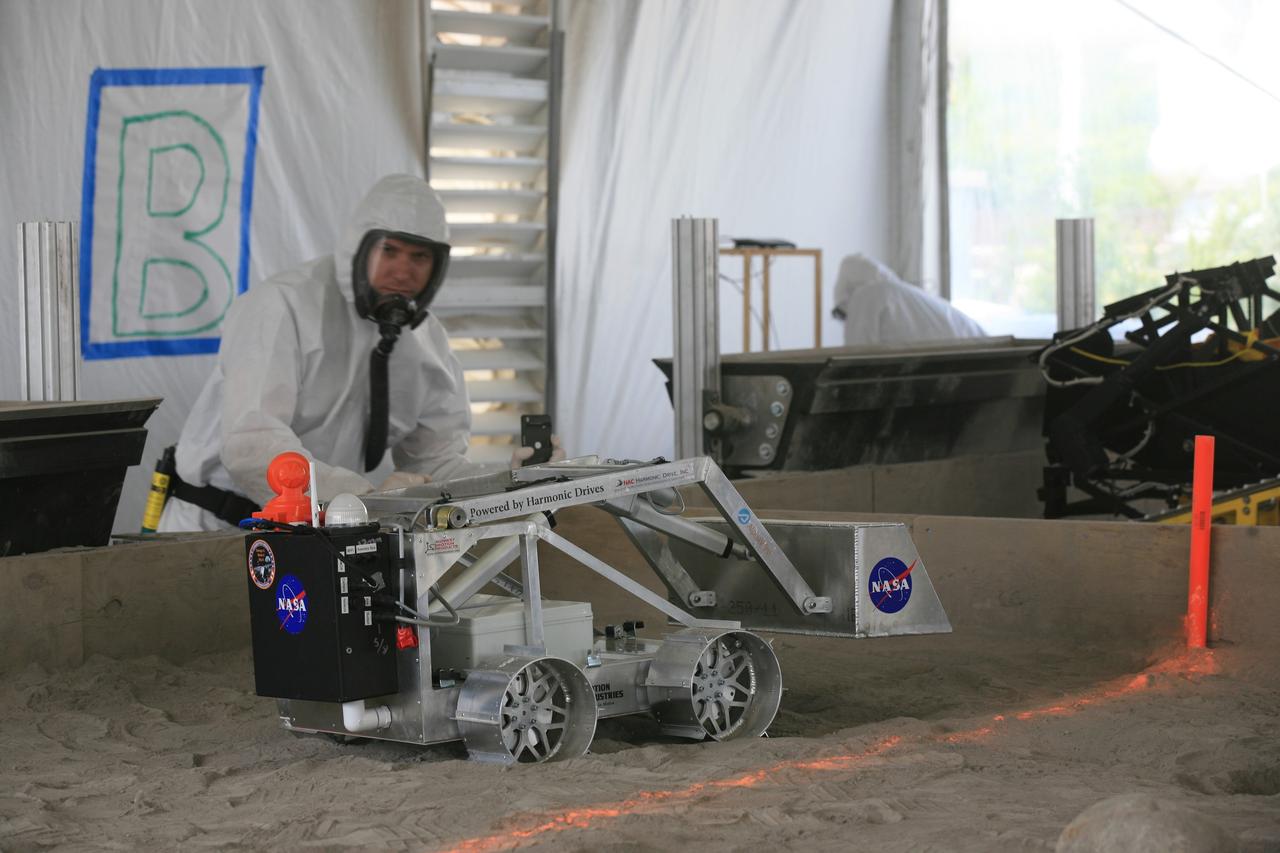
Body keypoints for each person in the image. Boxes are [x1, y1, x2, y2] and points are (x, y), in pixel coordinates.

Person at [159, 174, 513, 531]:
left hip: (324, 532)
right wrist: (360, 499)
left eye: (420, 257)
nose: (403, 270)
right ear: (359, 245)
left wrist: (515, 481)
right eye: (389, 251)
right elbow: (252, 446)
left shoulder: (427, 342)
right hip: (218, 528)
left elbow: (435, 461)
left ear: (438, 266)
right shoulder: (283, 305)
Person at [831, 253, 986, 346]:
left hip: (968, 357)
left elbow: (856, 358)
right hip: (988, 352)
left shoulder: (866, 295)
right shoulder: (905, 294)